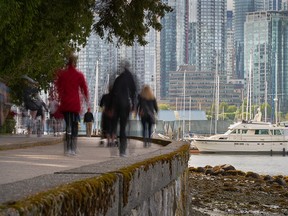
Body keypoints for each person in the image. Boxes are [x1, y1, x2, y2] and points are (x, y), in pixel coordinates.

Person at [55, 53, 89, 155]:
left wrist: (60, 97)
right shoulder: (79, 75)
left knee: (68, 125)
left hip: (65, 103)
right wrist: (87, 100)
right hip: (74, 104)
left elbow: (58, 87)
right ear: (75, 63)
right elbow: (84, 89)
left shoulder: (63, 74)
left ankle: (67, 148)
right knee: (74, 125)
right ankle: (73, 148)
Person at [111, 61, 137, 157]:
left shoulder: (118, 79)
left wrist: (111, 107)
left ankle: (116, 139)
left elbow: (113, 93)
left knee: (117, 125)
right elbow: (134, 92)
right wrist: (134, 106)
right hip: (125, 105)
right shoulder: (130, 78)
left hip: (117, 105)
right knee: (123, 127)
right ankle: (123, 150)